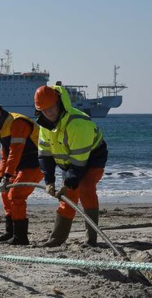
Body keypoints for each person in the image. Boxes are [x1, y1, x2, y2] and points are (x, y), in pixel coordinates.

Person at [33, 85, 108, 247]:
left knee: (86, 188)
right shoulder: (45, 125)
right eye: (44, 110)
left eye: (51, 107)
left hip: (92, 158)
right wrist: (49, 181)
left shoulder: (78, 124)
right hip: (69, 162)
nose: (49, 113)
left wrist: (67, 184)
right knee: (67, 198)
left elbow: (79, 163)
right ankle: (57, 239)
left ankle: (91, 239)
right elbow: (44, 155)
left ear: (59, 103)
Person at [0, 100, 44, 245]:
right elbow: (5, 157)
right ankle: (10, 232)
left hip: (36, 165)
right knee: (4, 192)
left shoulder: (18, 123)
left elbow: (16, 152)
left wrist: (7, 177)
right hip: (21, 165)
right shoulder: (2, 129)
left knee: (16, 194)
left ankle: (21, 237)